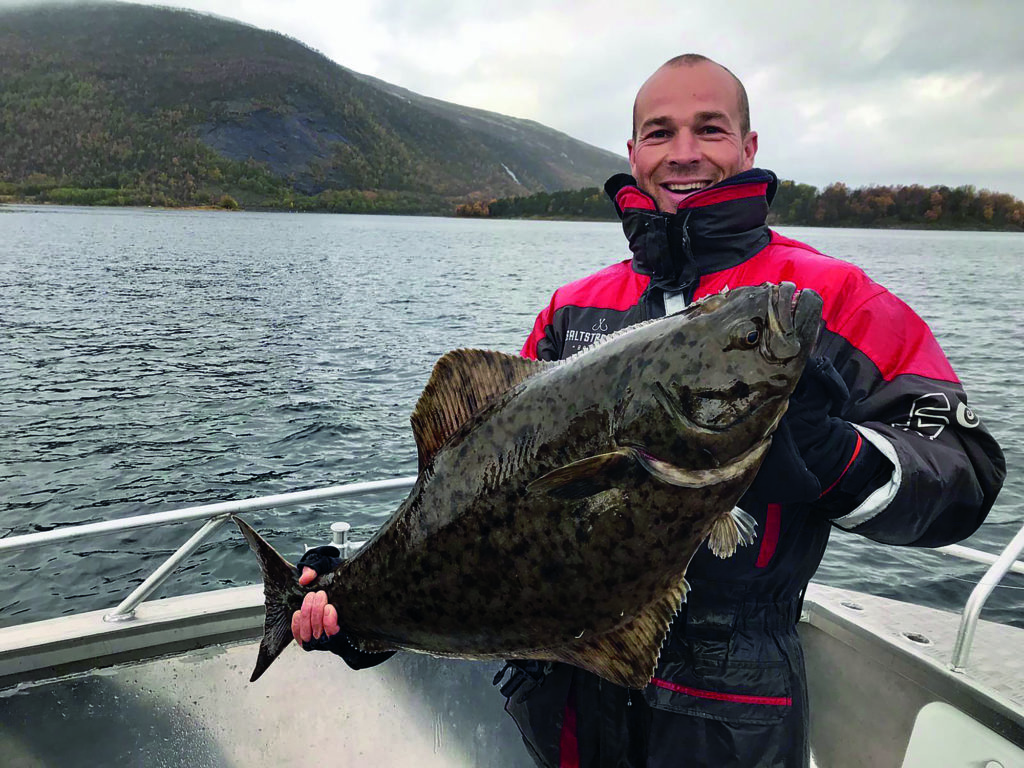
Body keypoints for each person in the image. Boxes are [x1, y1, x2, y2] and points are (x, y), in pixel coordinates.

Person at [290, 54, 1006, 767]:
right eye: (660, 133)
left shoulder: (836, 298)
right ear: (633, 153)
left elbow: (963, 471)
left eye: (710, 129)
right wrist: (359, 603)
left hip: (731, 707)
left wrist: (837, 459)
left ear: (749, 147)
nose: (685, 153)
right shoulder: (573, 310)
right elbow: (483, 502)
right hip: (562, 703)